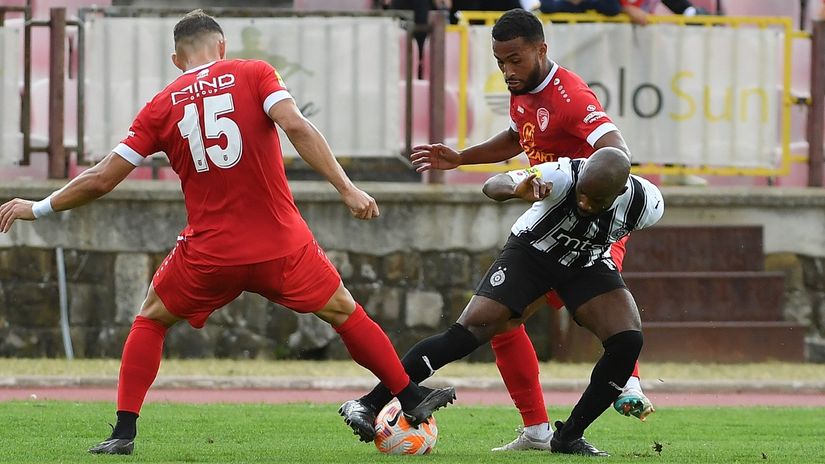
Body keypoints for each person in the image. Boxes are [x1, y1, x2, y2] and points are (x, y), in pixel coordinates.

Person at [0, 9, 455, 456]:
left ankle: (123, 432)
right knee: (344, 313)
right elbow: (295, 125)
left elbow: (101, 177)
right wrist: (347, 188)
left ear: (177, 59)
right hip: (281, 243)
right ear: (222, 46)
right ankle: (408, 395)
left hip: (209, 252)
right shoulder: (253, 73)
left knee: (152, 319)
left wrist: (36, 206)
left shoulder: (162, 104)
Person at [408, 8, 654, 451]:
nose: (506, 71)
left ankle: (628, 384)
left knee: (608, 323)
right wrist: (462, 157)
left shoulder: (572, 97)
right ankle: (540, 431)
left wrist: (587, 191)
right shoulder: (524, 90)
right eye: (500, 62)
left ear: (542, 50)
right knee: (502, 325)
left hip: (587, 233)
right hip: (546, 232)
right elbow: (516, 135)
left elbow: (615, 150)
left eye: (515, 60)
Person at [343, 148, 665, 456]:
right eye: (581, 192)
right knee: (469, 332)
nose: (582, 201)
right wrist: (517, 188)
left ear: (619, 192)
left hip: (586, 263)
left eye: (594, 199)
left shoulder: (647, 205)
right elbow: (493, 185)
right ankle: (370, 402)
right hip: (532, 254)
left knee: (627, 341)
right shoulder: (563, 175)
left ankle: (569, 436)